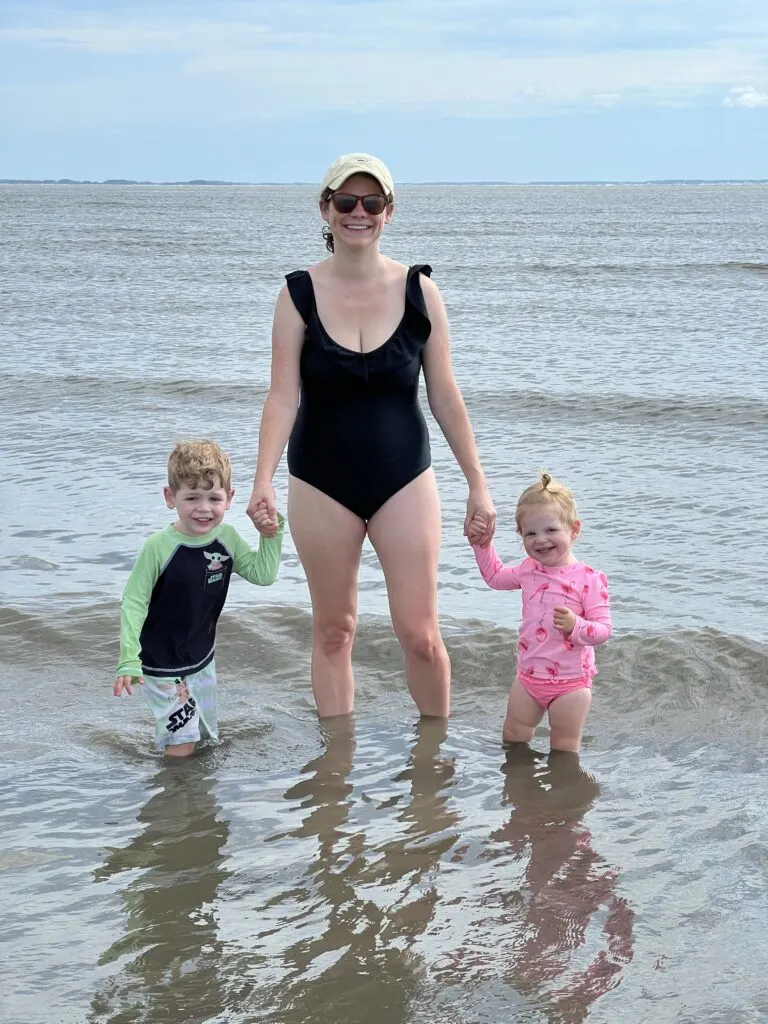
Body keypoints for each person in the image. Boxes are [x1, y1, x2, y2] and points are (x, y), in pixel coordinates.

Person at [246, 152, 496, 720]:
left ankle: (434, 761)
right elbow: (282, 395)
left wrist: (477, 484)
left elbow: (446, 397)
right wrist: (262, 478)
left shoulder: (420, 292)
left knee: (421, 636)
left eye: (372, 202)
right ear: (326, 210)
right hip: (319, 480)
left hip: (404, 476)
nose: (358, 212)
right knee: (334, 632)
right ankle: (334, 774)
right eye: (345, 202)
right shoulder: (297, 294)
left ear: (389, 212)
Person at [113, 439, 284, 757]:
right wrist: (128, 658)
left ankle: (198, 798)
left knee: (206, 734)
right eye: (191, 497)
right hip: (162, 662)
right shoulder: (158, 547)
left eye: (214, 497)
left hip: (202, 657)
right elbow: (134, 602)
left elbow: (263, 574)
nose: (204, 508)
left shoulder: (227, 539)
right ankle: (173, 799)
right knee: (182, 741)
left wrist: (271, 535)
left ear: (229, 498)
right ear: (170, 497)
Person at [468, 472, 611, 753]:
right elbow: (496, 577)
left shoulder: (589, 579)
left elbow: (604, 630)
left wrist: (576, 626)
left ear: (574, 529)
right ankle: (519, 787)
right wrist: (482, 546)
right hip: (529, 677)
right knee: (513, 735)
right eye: (530, 533)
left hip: (571, 683)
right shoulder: (528, 569)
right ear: (521, 535)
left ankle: (562, 795)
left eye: (551, 530)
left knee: (564, 747)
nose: (540, 540)